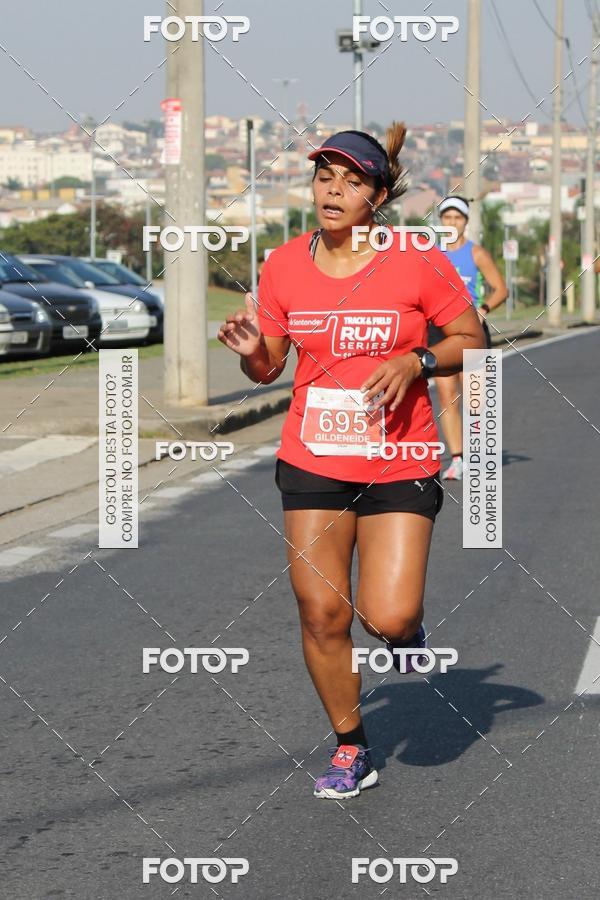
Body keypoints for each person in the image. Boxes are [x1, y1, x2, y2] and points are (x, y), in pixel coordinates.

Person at [218, 125, 484, 800]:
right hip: (315, 459)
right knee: (320, 614)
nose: (334, 190)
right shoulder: (282, 266)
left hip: (400, 458)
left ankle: (406, 629)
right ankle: (351, 747)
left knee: (387, 617)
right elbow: (269, 365)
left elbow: (471, 339)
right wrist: (251, 347)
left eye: (353, 180)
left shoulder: (414, 260)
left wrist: (416, 359)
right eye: (325, 176)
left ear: (378, 195)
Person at [431, 196, 508, 480]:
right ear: (441, 221)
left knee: (475, 397)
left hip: (470, 328)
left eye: (458, 218)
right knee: (447, 395)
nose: (452, 223)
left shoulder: (476, 253)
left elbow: (501, 289)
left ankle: (478, 454)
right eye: (447, 218)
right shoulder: (431, 253)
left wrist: (484, 308)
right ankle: (458, 459)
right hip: (438, 330)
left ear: (465, 222)